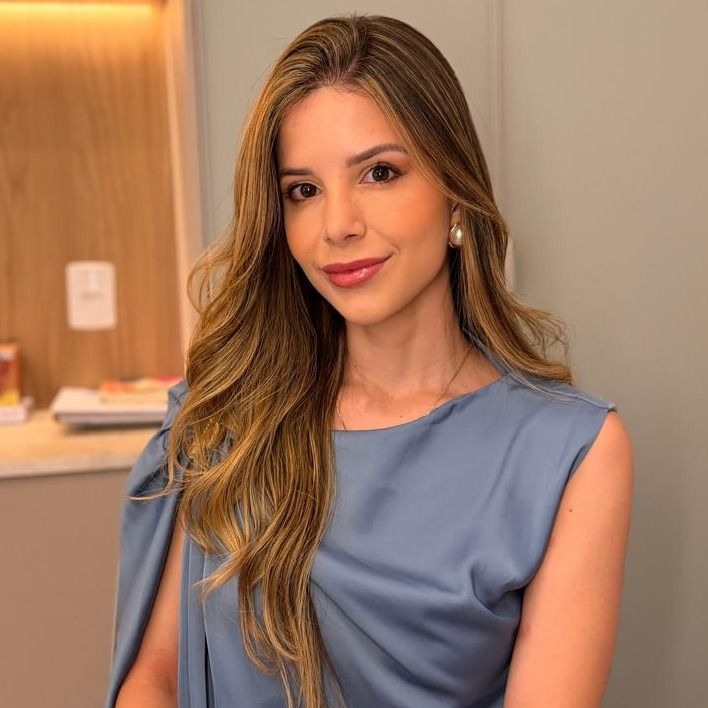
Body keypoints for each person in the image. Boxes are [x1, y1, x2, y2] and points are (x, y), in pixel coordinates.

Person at [106, 12, 633, 708]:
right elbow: (156, 677)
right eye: (304, 190)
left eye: (379, 173)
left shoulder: (569, 452)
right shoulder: (227, 418)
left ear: (455, 193)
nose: (338, 225)